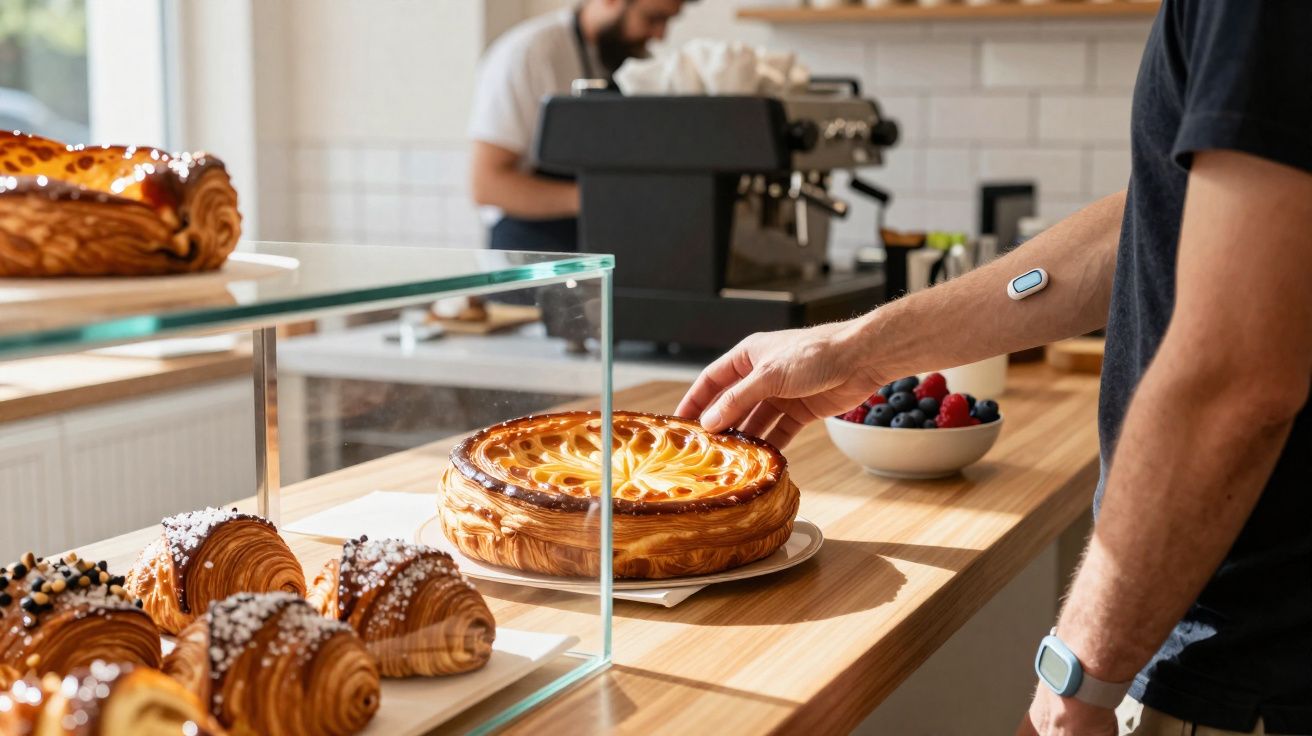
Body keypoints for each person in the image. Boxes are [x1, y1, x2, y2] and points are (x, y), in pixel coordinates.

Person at [677, 3, 1311, 735]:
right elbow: (1155, 224)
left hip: (1261, 676)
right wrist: (859, 350)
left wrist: (1076, 678)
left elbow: (1235, 375)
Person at [467, 0, 690, 253]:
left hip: (602, 243)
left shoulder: (632, 59)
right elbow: (488, 185)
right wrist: (605, 198)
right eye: (653, 19)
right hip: (532, 250)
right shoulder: (531, 53)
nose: (660, 35)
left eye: (668, 21)